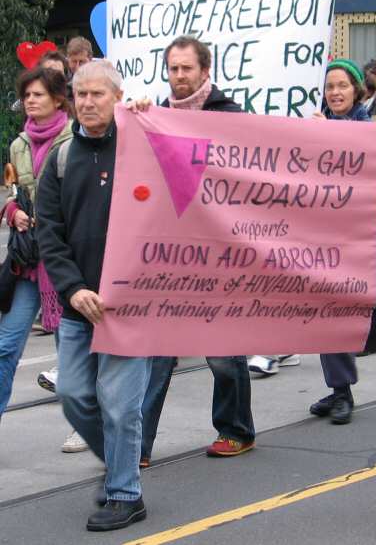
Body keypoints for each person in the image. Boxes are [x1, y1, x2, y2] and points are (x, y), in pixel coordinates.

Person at [36, 60, 152, 531]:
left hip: (130, 307)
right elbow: (50, 232)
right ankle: (121, 461)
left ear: (118, 96)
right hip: (78, 307)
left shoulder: (142, 145)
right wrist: (73, 288)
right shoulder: (60, 160)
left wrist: (151, 111)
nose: (86, 102)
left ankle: (125, 492)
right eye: (80, 94)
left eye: (97, 94)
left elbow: (191, 159)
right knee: (73, 393)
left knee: (121, 406)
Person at [128, 35, 256, 461]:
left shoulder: (231, 116)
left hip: (220, 254)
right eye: (173, 68)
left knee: (222, 353)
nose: (179, 76)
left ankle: (236, 429)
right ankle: (137, 445)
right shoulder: (154, 116)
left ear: (205, 71)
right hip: (169, 254)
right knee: (157, 353)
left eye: (187, 68)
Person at [0, 67, 73, 419]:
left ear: (58, 99)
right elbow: (13, 193)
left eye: (38, 94)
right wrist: (13, 211)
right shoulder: (18, 145)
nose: (30, 100)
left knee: (73, 356)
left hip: (66, 262)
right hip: (29, 262)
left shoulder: (77, 138)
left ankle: (84, 427)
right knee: (5, 347)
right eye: (26, 95)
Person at [308, 58, 368, 424]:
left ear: (356, 89)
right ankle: (338, 389)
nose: (335, 92)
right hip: (319, 230)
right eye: (329, 87)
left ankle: (343, 389)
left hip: (356, 233)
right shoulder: (318, 122)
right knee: (324, 310)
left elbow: (362, 155)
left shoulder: (366, 124)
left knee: (339, 309)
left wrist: (327, 132)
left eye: (342, 85)